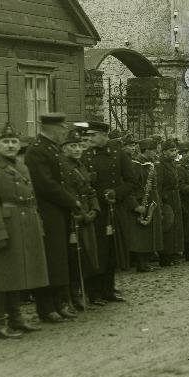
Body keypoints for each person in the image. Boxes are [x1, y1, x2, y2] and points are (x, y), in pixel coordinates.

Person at [0, 123, 46, 338]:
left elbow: (31, 200)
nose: (11, 145)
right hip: (4, 228)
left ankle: (16, 319)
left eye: (14, 141)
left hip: (23, 226)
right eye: (6, 142)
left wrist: (37, 224)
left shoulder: (22, 167)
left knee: (16, 275)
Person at [24, 112, 83, 322]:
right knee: (49, 260)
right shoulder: (37, 152)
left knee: (60, 260)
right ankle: (46, 307)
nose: (64, 132)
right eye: (61, 128)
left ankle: (59, 303)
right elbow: (45, 185)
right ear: (50, 128)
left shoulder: (52, 150)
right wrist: (71, 201)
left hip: (58, 211)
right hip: (46, 212)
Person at [82, 121, 134, 304]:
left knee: (112, 249)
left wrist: (116, 193)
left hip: (113, 209)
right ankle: (93, 292)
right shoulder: (84, 156)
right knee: (97, 250)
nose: (89, 139)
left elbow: (132, 181)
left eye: (93, 135)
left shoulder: (118, 155)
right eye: (88, 136)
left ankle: (108, 289)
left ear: (104, 136)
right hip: (94, 210)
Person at [60, 129, 100, 310]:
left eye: (78, 146)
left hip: (87, 215)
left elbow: (90, 190)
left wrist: (95, 209)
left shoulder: (81, 165)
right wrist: (83, 214)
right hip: (75, 217)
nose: (77, 149)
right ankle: (72, 295)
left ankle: (84, 292)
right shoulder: (63, 168)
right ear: (64, 149)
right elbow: (68, 194)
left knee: (87, 255)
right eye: (72, 146)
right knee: (74, 257)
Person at [127, 138, 164, 272]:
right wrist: (137, 204)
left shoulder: (149, 164)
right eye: (154, 151)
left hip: (150, 201)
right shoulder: (135, 165)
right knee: (141, 235)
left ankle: (145, 261)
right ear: (146, 150)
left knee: (148, 233)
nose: (156, 154)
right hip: (141, 202)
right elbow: (131, 187)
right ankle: (140, 264)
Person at [158, 139, 185, 266]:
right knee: (167, 226)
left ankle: (173, 253)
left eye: (175, 150)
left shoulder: (172, 164)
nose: (174, 153)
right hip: (166, 199)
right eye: (171, 150)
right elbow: (158, 186)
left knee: (175, 226)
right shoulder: (160, 165)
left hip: (175, 197)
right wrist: (161, 202)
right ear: (164, 152)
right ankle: (164, 257)